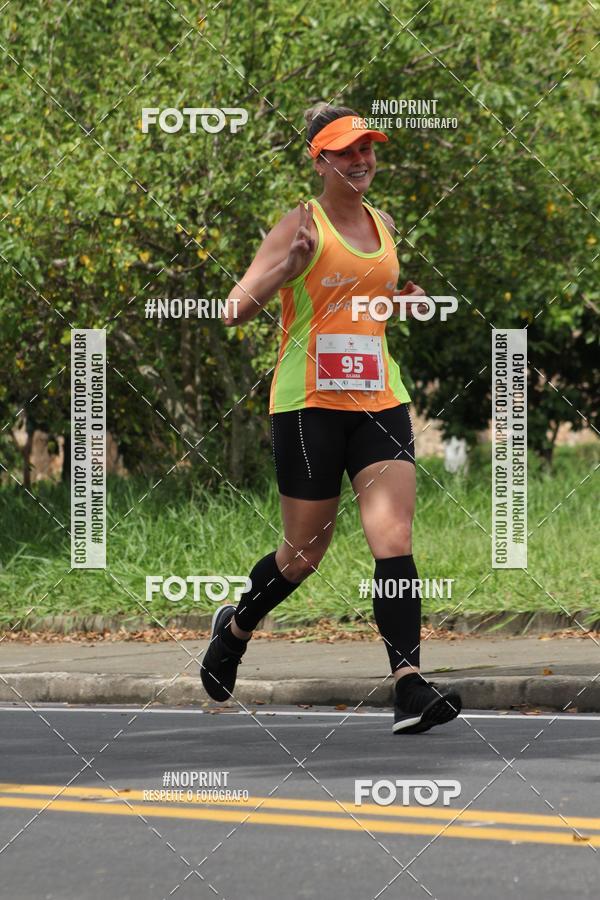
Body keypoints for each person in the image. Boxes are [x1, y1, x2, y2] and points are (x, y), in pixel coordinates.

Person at [201, 103, 462, 734]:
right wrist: (287, 271)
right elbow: (233, 310)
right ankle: (235, 629)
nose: (360, 160)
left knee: (393, 540)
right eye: (345, 152)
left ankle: (408, 685)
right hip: (307, 405)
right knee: (302, 555)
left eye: (366, 148)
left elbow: (363, 306)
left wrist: (403, 302)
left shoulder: (385, 222)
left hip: (379, 400)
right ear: (318, 161)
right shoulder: (299, 225)